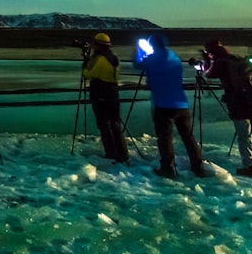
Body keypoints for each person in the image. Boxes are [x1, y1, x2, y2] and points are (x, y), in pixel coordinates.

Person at [202, 39, 252, 178]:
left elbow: (209, 74)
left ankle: (249, 166)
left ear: (211, 52)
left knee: (245, 135)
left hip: (239, 105)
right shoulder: (237, 60)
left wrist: (206, 62)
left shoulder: (221, 63)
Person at [133, 34, 204, 179]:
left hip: (162, 104)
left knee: (165, 138)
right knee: (188, 137)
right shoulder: (174, 58)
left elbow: (137, 64)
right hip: (181, 103)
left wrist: (139, 51)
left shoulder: (153, 59)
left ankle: (167, 168)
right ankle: (198, 167)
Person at [82, 32, 129, 163]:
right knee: (115, 125)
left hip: (100, 95)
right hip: (113, 94)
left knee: (104, 125)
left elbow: (89, 74)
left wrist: (85, 64)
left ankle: (111, 153)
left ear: (98, 44)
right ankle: (122, 153)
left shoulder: (100, 59)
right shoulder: (114, 58)